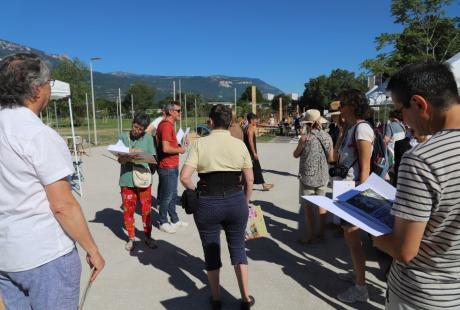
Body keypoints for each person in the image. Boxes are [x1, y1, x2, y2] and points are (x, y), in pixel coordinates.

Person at [0, 53, 105, 309]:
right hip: (45, 254)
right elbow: (62, 205)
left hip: (5, 254)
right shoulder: (39, 135)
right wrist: (91, 248)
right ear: (36, 88)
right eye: (50, 81)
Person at [374, 62, 460, 309]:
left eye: (399, 110)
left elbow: (404, 251)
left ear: (419, 104)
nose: (402, 119)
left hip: (422, 294)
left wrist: (376, 237)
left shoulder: (423, 159)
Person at [180, 104, 255, 310]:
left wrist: (196, 191)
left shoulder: (199, 145)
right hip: (235, 200)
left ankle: (215, 298)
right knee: (239, 249)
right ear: (230, 122)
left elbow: (185, 177)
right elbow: (249, 180)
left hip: (207, 202)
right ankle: (245, 298)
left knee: (211, 251)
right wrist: (245, 202)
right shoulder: (239, 145)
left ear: (210, 122)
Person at [332, 89, 374, 303]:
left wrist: (358, 198)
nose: (340, 108)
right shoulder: (350, 128)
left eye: (343, 104)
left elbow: (365, 170)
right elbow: (335, 156)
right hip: (344, 187)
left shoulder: (362, 129)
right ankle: (357, 274)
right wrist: (341, 129)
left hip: (352, 189)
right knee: (349, 239)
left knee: (353, 238)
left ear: (353, 105)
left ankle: (361, 288)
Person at [117, 112, 158, 251]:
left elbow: (152, 158)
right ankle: (131, 238)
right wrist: (127, 157)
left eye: (140, 129)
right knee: (128, 210)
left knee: (146, 211)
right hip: (127, 179)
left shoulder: (148, 138)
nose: (137, 131)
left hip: (143, 178)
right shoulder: (123, 137)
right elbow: (119, 159)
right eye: (135, 127)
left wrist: (142, 157)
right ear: (132, 123)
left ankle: (148, 236)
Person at [293, 109, 333, 244]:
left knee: (309, 208)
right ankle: (321, 233)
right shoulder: (328, 137)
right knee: (322, 205)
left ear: (308, 124)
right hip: (323, 176)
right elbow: (331, 158)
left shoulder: (305, 138)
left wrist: (302, 143)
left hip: (307, 177)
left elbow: (296, 154)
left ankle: (311, 236)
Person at [156, 101, 189, 234]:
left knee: (173, 194)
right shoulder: (166, 126)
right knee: (167, 196)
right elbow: (165, 148)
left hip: (172, 165)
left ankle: (174, 220)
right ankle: (163, 221)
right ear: (170, 112)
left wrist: (181, 143)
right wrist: (181, 150)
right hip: (167, 166)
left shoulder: (169, 126)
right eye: (178, 110)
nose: (181, 113)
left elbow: (170, 144)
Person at [244, 112, 274, 191]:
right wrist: (254, 153)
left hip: (248, 152)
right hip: (250, 153)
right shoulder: (250, 128)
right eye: (255, 120)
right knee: (257, 168)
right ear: (251, 120)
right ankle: (264, 185)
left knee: (254, 168)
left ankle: (263, 184)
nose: (256, 121)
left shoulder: (246, 127)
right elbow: (250, 141)